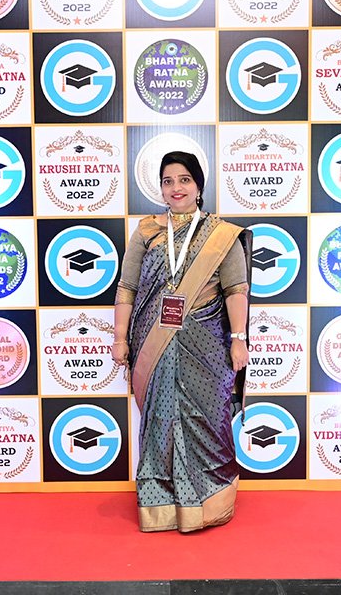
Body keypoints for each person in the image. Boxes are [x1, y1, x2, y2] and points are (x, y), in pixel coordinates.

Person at [112, 150, 251, 533]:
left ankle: (208, 505)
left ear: (199, 186)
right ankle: (161, 506)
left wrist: (238, 340)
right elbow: (127, 287)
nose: (176, 188)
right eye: (168, 181)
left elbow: (236, 291)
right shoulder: (147, 232)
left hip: (206, 345)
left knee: (206, 421)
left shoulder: (221, 235)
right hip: (153, 343)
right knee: (159, 420)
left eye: (184, 179)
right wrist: (120, 338)